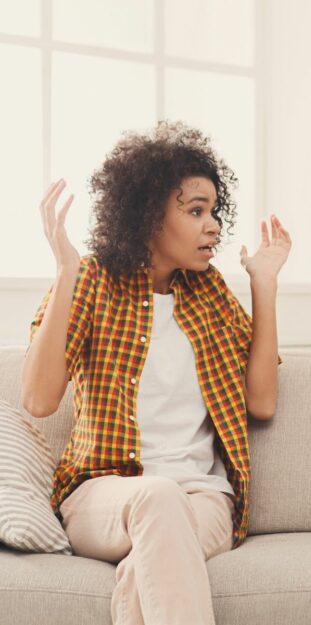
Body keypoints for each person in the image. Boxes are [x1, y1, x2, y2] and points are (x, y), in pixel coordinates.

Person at [20, 121, 290, 624]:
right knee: (156, 498)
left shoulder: (211, 294)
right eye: (195, 211)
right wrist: (65, 274)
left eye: (213, 211)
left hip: (204, 501)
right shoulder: (94, 281)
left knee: (145, 566)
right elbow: (38, 400)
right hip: (102, 495)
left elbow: (262, 403)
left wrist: (266, 286)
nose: (213, 225)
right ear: (147, 216)